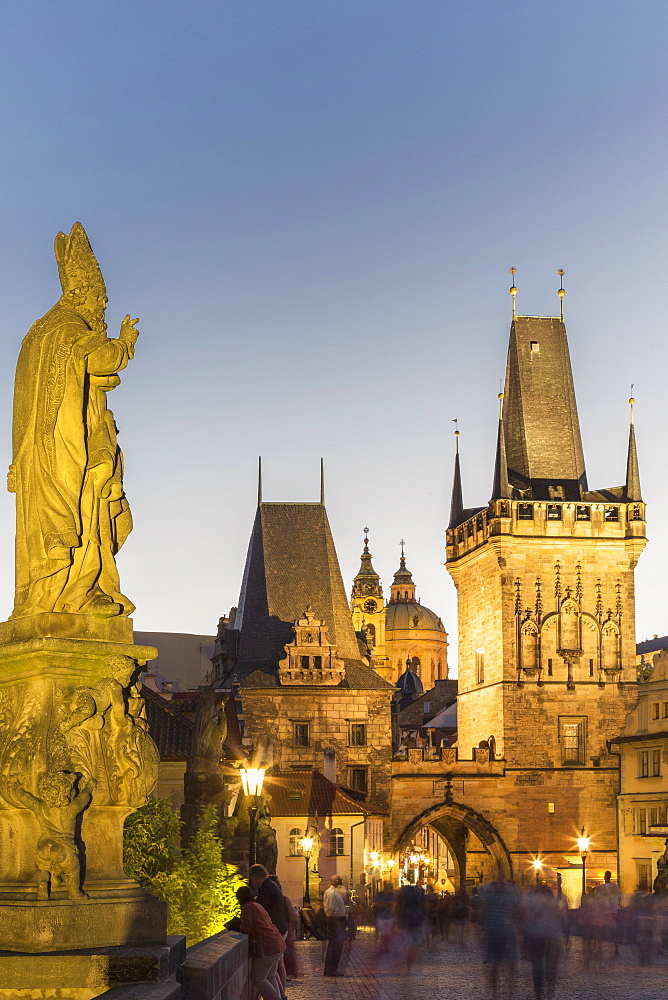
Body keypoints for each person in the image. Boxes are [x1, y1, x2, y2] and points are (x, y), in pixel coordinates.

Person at [10, 222, 138, 619]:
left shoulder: (39, 333)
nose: (101, 310)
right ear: (85, 296)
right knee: (82, 516)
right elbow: (101, 362)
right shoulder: (69, 328)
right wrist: (124, 344)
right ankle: (77, 595)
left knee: (46, 530)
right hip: (67, 449)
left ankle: (41, 599)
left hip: (36, 450)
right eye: (100, 302)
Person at [237, 885, 286, 1000]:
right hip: (277, 942)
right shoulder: (258, 905)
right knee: (270, 976)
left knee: (258, 978)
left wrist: (236, 927)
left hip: (267, 946)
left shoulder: (247, 908)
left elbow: (247, 929)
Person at [249, 865, 289, 998]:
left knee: (259, 977)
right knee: (271, 973)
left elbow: (260, 909)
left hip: (273, 933)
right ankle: (281, 996)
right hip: (280, 931)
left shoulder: (265, 888)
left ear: (255, 877)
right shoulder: (272, 885)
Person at [323, 875, 348, 977]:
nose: (341, 882)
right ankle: (330, 969)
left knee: (337, 946)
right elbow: (331, 908)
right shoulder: (332, 893)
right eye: (340, 880)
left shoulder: (336, 892)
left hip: (337, 920)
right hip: (335, 921)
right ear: (335, 881)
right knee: (335, 946)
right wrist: (336, 922)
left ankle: (333, 968)